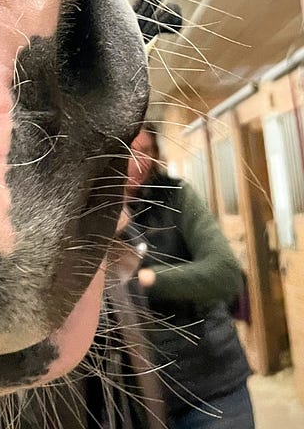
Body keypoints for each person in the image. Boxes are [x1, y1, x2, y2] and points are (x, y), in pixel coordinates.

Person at [125, 124, 254, 429]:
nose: (137, 162)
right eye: (128, 151)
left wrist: (146, 282)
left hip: (210, 387)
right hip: (140, 402)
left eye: (145, 151)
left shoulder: (176, 198)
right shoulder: (91, 217)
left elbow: (225, 273)